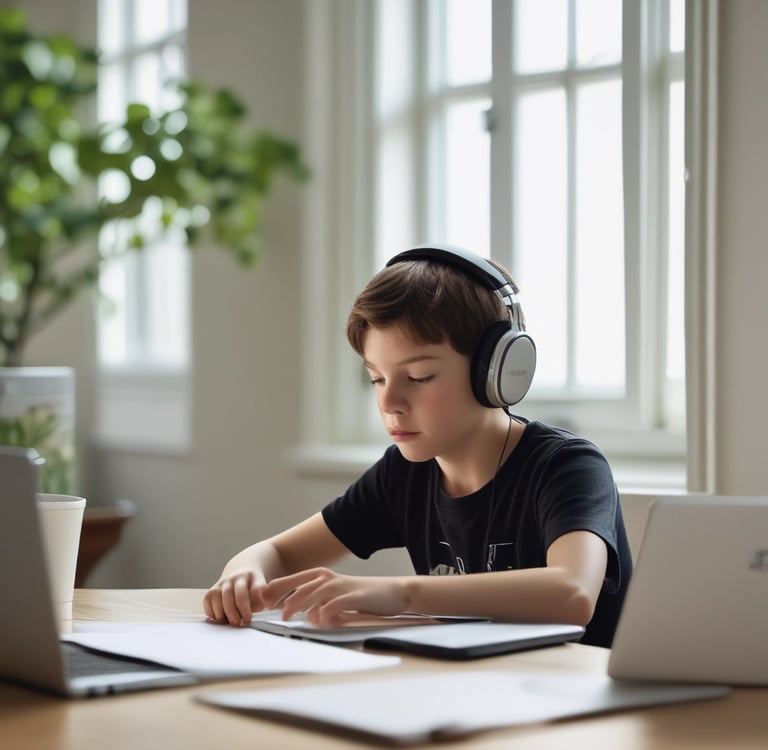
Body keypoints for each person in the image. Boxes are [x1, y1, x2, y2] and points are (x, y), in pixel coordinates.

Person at [203, 244, 632, 648]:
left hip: (577, 688)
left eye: (419, 377)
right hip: (479, 687)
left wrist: (401, 593)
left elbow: (573, 593)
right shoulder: (403, 474)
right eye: (376, 378)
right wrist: (244, 572)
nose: (389, 402)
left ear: (496, 371)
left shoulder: (567, 467)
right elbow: (279, 553)